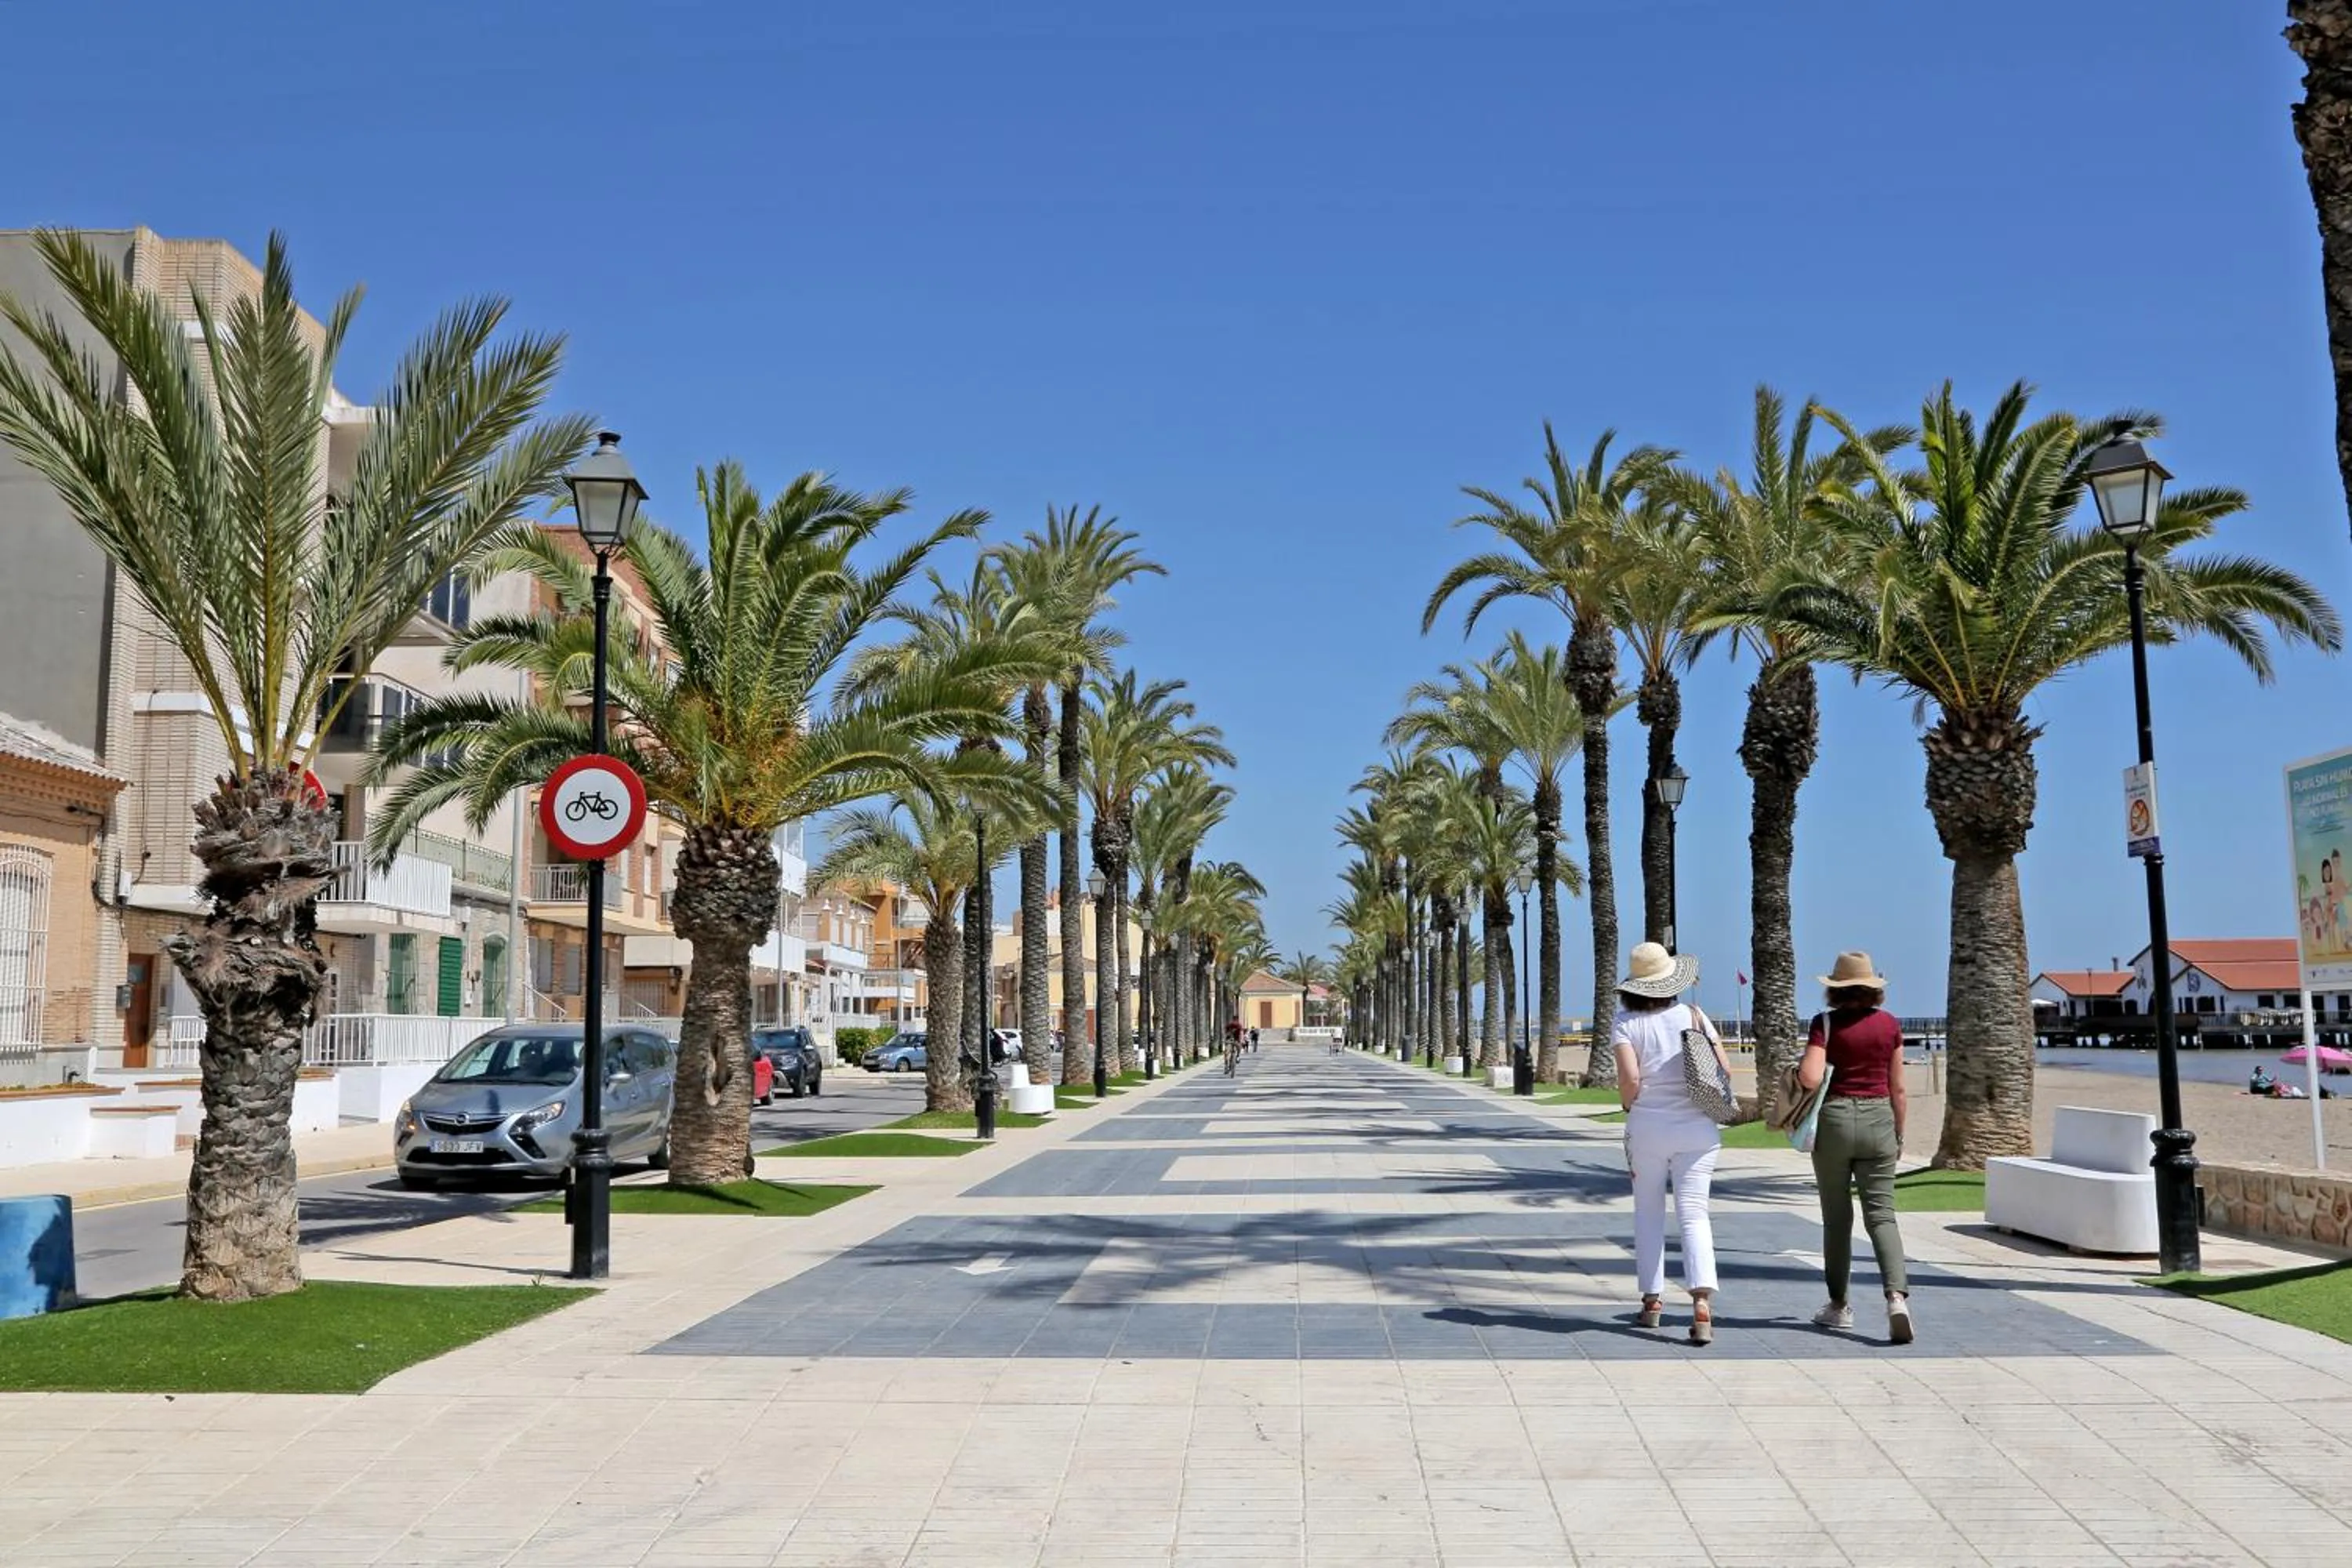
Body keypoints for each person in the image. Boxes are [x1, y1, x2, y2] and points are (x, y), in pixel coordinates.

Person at [1612, 941, 1730, 1346]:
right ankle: (1701, 1304)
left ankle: (1652, 1302)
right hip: (1698, 1129)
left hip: (1647, 1128)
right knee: (1694, 1215)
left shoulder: (1625, 1024)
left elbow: (1630, 1080)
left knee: (1648, 1214)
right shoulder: (1694, 1016)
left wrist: (1630, 1104)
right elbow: (1724, 1069)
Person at [1798, 951, 1913, 1344]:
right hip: (1880, 1118)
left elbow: (1811, 1078)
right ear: (1873, 988)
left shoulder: (1824, 1024)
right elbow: (1898, 1087)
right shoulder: (1889, 1025)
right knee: (1882, 1216)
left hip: (1834, 1122)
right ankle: (1896, 1297)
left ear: (1834, 988)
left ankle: (1838, 1306)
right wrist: (1898, 1133)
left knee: (1837, 1218)